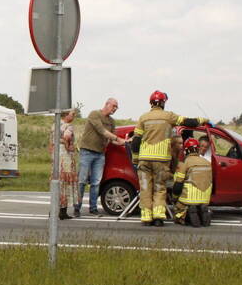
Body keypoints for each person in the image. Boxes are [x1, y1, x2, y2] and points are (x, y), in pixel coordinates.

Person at [131, 91, 208, 226]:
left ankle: (146, 217)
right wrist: (203, 120)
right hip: (161, 160)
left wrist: (135, 159)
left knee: (145, 188)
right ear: (163, 103)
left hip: (145, 159)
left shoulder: (143, 118)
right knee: (159, 188)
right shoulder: (168, 116)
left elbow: (136, 141)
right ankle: (158, 218)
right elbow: (188, 122)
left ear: (151, 103)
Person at [75, 98, 126, 216]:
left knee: (96, 182)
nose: (115, 109)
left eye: (116, 107)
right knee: (82, 180)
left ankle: (93, 208)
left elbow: (112, 140)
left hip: (100, 154)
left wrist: (125, 142)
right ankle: (77, 207)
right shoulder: (94, 114)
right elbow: (102, 131)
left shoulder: (112, 121)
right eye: (114, 106)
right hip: (87, 151)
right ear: (107, 104)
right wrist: (118, 138)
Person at [172, 137, 213, 226]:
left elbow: (178, 184)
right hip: (205, 197)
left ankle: (186, 215)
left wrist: (174, 197)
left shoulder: (185, 163)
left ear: (186, 150)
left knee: (178, 211)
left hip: (190, 196)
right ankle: (202, 212)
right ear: (198, 149)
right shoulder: (207, 163)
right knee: (199, 205)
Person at [49, 110, 80, 220]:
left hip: (56, 156)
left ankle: (54, 210)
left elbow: (51, 142)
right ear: (66, 115)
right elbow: (67, 137)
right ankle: (63, 211)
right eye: (72, 114)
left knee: (58, 182)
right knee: (66, 183)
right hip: (65, 157)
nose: (74, 116)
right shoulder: (68, 126)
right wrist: (68, 146)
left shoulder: (55, 125)